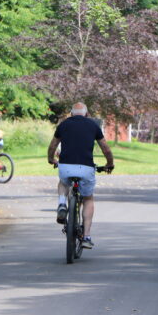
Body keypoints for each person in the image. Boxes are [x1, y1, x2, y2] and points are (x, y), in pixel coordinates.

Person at [47, 102, 114, 249]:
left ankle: (62, 204)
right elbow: (106, 149)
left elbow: (53, 145)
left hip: (66, 166)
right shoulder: (93, 126)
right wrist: (110, 163)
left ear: (71, 114)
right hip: (86, 168)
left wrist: (51, 159)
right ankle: (86, 236)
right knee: (88, 198)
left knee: (63, 183)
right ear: (86, 114)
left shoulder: (63, 125)